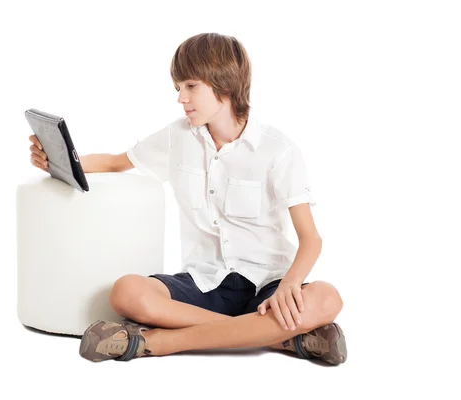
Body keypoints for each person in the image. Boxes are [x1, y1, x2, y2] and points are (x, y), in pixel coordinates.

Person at [28, 33, 347, 365]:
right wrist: (56, 158)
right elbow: (113, 162)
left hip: (268, 284)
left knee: (326, 298)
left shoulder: (278, 150)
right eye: (178, 88)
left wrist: (290, 286)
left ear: (224, 83)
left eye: (190, 86)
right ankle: (278, 340)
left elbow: (311, 238)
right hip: (204, 282)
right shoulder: (177, 136)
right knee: (127, 292)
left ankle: (158, 342)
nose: (181, 98)